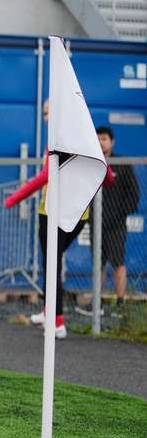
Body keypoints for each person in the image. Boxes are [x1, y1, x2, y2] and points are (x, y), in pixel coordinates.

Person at [5, 103, 111, 339]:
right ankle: (48, 311)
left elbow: (45, 176)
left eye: (47, 112)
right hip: (77, 215)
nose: (44, 117)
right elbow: (105, 174)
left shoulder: (59, 140)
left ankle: (58, 321)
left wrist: (14, 198)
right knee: (51, 263)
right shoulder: (78, 138)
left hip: (54, 214)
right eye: (44, 112)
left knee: (52, 265)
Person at [96, 126, 139, 304]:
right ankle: (97, 302)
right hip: (97, 224)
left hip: (116, 225)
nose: (101, 142)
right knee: (98, 263)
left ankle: (120, 302)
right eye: (98, 138)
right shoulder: (92, 163)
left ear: (112, 142)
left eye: (104, 139)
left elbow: (134, 195)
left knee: (118, 262)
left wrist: (119, 214)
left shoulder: (122, 164)